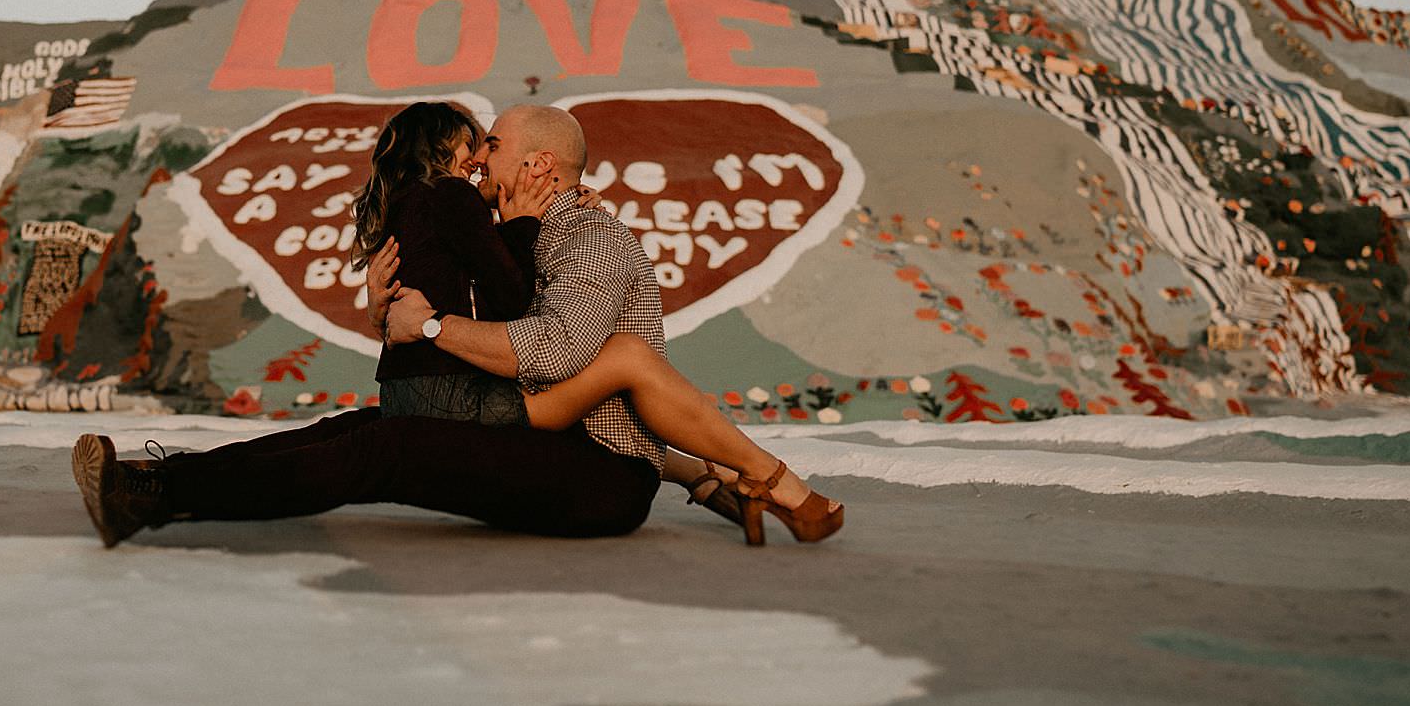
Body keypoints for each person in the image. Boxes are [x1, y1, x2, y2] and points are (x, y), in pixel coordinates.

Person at [72, 104, 841, 547]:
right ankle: (156, 481)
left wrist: (431, 325)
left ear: (541, 166)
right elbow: (450, 330)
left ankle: (151, 497)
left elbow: (557, 352)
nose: (476, 162)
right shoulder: (512, 242)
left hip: (594, 479)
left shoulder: (594, 240)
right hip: (540, 440)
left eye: (494, 147)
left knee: (386, 449)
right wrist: (386, 310)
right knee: (358, 427)